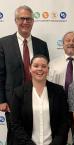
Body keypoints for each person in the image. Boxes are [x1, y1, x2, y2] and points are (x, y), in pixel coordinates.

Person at [0, 5, 49, 145]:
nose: (25, 22)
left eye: (28, 19)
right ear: (16, 21)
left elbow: (44, 72)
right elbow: (1, 73)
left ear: (33, 21)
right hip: (11, 101)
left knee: (34, 136)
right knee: (14, 137)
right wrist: (2, 100)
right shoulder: (3, 43)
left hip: (37, 100)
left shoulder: (42, 44)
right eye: (22, 19)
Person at [10, 54, 68, 145]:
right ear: (30, 68)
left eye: (44, 66)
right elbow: (15, 123)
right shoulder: (19, 93)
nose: (40, 69)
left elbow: (64, 122)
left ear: (48, 69)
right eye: (36, 66)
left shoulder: (59, 91)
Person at [48, 31, 74, 144]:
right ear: (62, 44)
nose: (71, 43)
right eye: (68, 40)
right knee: (58, 140)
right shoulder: (53, 64)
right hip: (58, 109)